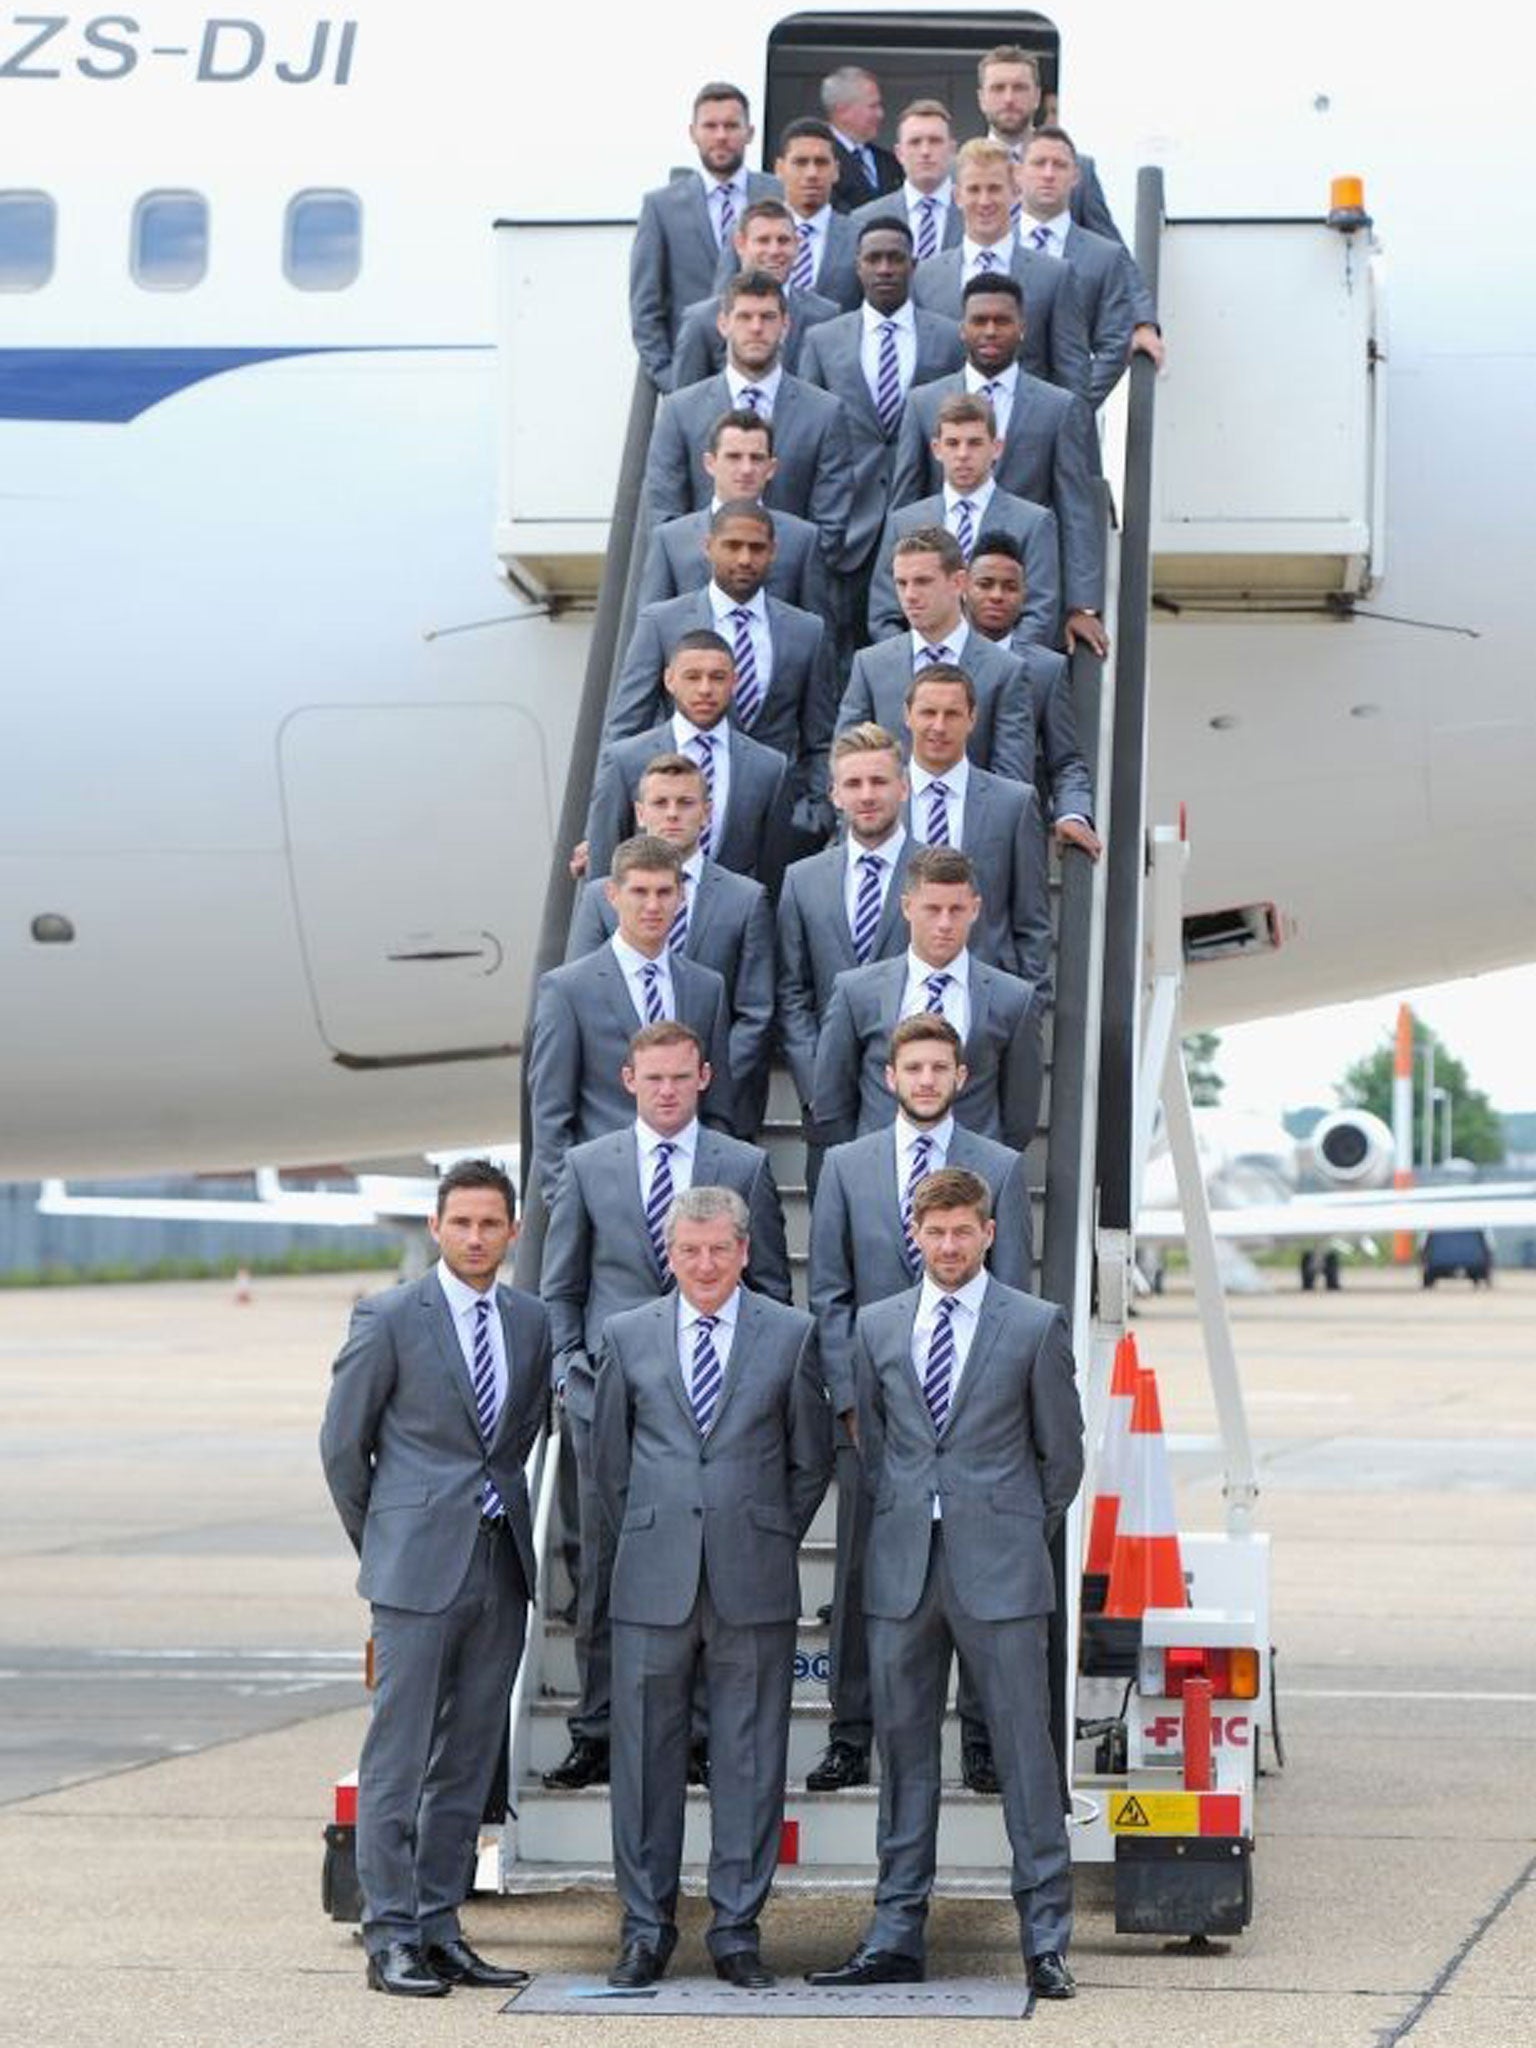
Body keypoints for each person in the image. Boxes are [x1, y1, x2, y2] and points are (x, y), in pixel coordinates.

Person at [807, 1166, 1084, 1998]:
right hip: (901, 1571)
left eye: (965, 1231)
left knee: (1026, 1758)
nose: (952, 1245)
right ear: (915, 1238)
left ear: (988, 1233)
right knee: (904, 1756)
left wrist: (1003, 1528)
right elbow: (879, 1446)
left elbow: (1061, 1459)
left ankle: (1044, 1941)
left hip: (1000, 1571)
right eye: (937, 1232)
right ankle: (896, 1933)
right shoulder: (878, 1326)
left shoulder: (1034, 1325)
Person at [592, 1186, 832, 1989]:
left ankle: (736, 1930)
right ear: (670, 1253)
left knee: (751, 1760)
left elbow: (811, 1461)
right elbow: (610, 1465)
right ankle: (644, 1928)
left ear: (744, 1252)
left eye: (718, 1250)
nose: (704, 1265)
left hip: (752, 1581)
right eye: (689, 1250)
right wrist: (664, 1532)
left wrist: (760, 1532)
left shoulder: (791, 1336)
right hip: (652, 1581)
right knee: (644, 1763)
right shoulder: (626, 1335)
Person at [319, 1158, 548, 1997]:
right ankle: (390, 1936)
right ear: (437, 1228)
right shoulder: (385, 1318)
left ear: (513, 1232)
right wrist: (384, 1540)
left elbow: (517, 1439)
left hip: (499, 1564)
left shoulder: (531, 1321)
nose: (477, 1237)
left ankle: (440, 1924)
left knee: (467, 1757)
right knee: (397, 1756)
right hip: (414, 1567)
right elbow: (344, 1450)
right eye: (463, 1223)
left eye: (492, 1224)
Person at [540, 1026, 791, 1792]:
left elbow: (773, 1288)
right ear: (628, 1080)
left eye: (682, 1077)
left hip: (714, 1410)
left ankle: (702, 1738)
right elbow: (562, 1288)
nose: (668, 1091)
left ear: (706, 1077)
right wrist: (569, 1377)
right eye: (654, 1078)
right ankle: (598, 1729)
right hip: (611, 1407)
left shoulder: (743, 1167)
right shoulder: (587, 1167)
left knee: (710, 1577)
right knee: (604, 1575)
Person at [804, 1019, 1033, 1795]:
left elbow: (1017, 1300)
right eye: (914, 1067)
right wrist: (847, 1402)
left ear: (961, 1077)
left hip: (971, 1419)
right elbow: (829, 1291)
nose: (927, 1079)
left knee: (973, 1573)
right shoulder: (845, 1167)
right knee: (866, 1577)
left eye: (940, 1067)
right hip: (873, 1414)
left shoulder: (998, 1167)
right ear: (889, 1076)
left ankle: (978, 1740)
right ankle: (849, 1732)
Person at [890, 277, 1107, 656]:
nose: (990, 330)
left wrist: (1080, 604)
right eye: (979, 320)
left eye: (1002, 321)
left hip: (1016, 602)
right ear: (962, 328)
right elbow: (908, 495)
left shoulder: (1058, 406)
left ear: (1022, 327)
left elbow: (1073, 505)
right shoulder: (923, 403)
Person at [604, 503, 838, 841]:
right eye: (732, 546)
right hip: (671, 824)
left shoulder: (805, 631)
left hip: (774, 827)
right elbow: (627, 726)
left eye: (756, 548)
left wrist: (816, 814)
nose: (744, 559)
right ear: (707, 546)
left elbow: (821, 738)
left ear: (773, 552)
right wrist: (606, 825)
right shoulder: (662, 623)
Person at [527, 835, 735, 1206]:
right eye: (639, 891)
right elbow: (550, 1113)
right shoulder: (567, 990)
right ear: (612, 895)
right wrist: (569, 1203)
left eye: (664, 892)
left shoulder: (707, 987)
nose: (652, 906)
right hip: (602, 1199)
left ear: (681, 896)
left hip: (691, 1206)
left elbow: (717, 1104)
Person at [568, 752, 775, 1110]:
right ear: (640, 812)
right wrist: (638, 1085)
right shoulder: (600, 899)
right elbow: (581, 1000)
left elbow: (754, 1013)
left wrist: (697, 1082)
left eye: (685, 802)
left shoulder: (746, 899)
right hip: (615, 1104)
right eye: (660, 802)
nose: (673, 813)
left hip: (710, 1102)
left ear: (707, 812)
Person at [811, 846, 1046, 1152]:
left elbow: (1020, 1115)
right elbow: (832, 1098)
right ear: (907, 907)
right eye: (932, 909)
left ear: (975, 909)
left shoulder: (1014, 999)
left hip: (972, 1181)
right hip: (881, 1171)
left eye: (956, 910)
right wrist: (864, 1166)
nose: (945, 924)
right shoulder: (857, 991)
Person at [798, 217, 964, 648]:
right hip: (845, 527)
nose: (885, 268)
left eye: (895, 258)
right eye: (874, 258)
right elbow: (810, 435)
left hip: (920, 524)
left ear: (914, 263)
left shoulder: (947, 338)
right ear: (858, 266)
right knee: (837, 648)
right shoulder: (822, 339)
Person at [644, 269, 855, 562]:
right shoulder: (680, 411)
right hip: (702, 591)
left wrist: (780, 575)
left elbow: (830, 523)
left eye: (768, 317)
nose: (756, 328)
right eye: (744, 317)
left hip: (790, 594)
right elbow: (664, 513)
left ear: (786, 325)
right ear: (723, 324)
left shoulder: (825, 413)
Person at [975, 41, 1162, 361]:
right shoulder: (959, 172)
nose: (1009, 98)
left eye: (1019, 88)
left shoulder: (1078, 169)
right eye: (998, 88)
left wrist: (1143, 322)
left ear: (1037, 96)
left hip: (1061, 343)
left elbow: (1112, 251)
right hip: (984, 337)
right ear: (981, 98)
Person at [776, 724, 912, 1116]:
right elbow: (791, 991)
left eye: (878, 781)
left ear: (903, 787)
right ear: (835, 794)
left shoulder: (933, 873)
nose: (866, 795)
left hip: (914, 1094)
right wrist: (817, 1081)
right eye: (853, 783)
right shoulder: (802, 879)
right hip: (826, 1101)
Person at [580, 630, 789, 884]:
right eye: (692, 677)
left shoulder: (768, 767)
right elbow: (602, 869)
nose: (705, 689)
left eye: (717, 678)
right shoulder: (625, 760)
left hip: (730, 920)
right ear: (669, 680)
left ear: (735, 682)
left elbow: (773, 872)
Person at [836, 527, 1030, 780]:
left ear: (958, 582)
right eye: (901, 583)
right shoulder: (870, 665)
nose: (910, 596)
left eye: (923, 581)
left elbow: (1012, 782)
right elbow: (845, 765)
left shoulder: (1005, 670)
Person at [868, 391, 1060, 645]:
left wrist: (996, 668)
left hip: (1002, 674)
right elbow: (883, 616)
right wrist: (923, 664)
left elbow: (1040, 614)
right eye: (952, 443)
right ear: (936, 449)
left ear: (996, 447)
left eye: (974, 443)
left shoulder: (1033, 523)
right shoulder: (904, 523)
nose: (962, 454)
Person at [901, 662, 1051, 983]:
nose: (939, 726)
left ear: (972, 719)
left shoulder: (1013, 805)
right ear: (907, 716)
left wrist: (1030, 1009)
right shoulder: (878, 800)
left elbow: (1032, 925)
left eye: (952, 714)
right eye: (928, 713)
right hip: (896, 997)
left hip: (983, 1002)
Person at [910, 136, 1090, 400]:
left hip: (1028, 433)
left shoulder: (1054, 276)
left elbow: (1072, 375)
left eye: (994, 189)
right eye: (974, 190)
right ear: (957, 196)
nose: (984, 201)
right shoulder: (926, 276)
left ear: (1016, 193)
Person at [630, 82, 782, 390]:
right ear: (693, 132)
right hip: (693, 379)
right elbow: (645, 307)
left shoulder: (778, 194)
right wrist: (670, 378)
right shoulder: (661, 207)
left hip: (769, 375)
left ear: (750, 132)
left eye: (731, 125)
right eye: (710, 126)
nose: (721, 136)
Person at [966, 531, 1101, 858]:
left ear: (1025, 596)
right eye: (985, 584)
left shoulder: (1046, 670)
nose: (997, 595)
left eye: (1010, 587)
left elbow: (1066, 759)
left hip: (1008, 842)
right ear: (962, 588)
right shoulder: (931, 658)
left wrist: (1071, 813)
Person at [635, 408, 832, 616]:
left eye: (756, 458)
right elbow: (650, 626)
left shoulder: (803, 539)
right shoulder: (670, 540)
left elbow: (819, 633)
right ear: (710, 464)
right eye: (734, 457)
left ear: (771, 468)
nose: (746, 469)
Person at [1015, 126, 1137, 408]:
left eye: (1059, 165)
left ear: (1076, 177)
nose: (1048, 174)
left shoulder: (1105, 257)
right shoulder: (994, 248)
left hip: (1071, 424)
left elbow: (1115, 344)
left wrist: (1071, 405)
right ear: (1018, 173)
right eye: (1038, 163)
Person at [671, 199, 841, 386]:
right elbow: (685, 403)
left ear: (797, 244)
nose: (774, 250)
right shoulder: (701, 321)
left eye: (783, 240)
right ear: (740, 244)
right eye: (763, 240)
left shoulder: (825, 317)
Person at [716, 117, 861, 311]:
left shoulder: (859, 237)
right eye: (800, 162)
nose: (811, 173)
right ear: (779, 169)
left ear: (836, 171)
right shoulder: (744, 231)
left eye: (821, 162)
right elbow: (722, 303)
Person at [849, 98, 961, 257]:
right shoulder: (863, 220)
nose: (925, 151)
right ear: (899, 154)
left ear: (952, 150)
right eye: (915, 142)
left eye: (935, 141)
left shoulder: (977, 213)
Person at [822, 65, 902, 212]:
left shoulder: (889, 162)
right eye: (873, 106)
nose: (880, 114)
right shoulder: (819, 159)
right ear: (842, 111)